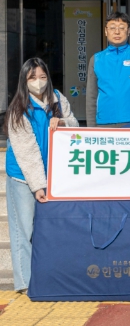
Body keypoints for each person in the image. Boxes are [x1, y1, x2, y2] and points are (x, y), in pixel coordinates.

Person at [4, 58, 79, 291]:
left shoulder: (57, 98)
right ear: (24, 81)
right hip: (23, 177)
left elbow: (75, 126)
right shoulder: (18, 109)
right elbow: (28, 152)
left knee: (48, 231)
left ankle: (48, 277)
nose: (38, 82)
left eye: (42, 76)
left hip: (53, 174)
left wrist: (63, 122)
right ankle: (26, 284)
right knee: (24, 230)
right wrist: (38, 186)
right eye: (32, 78)